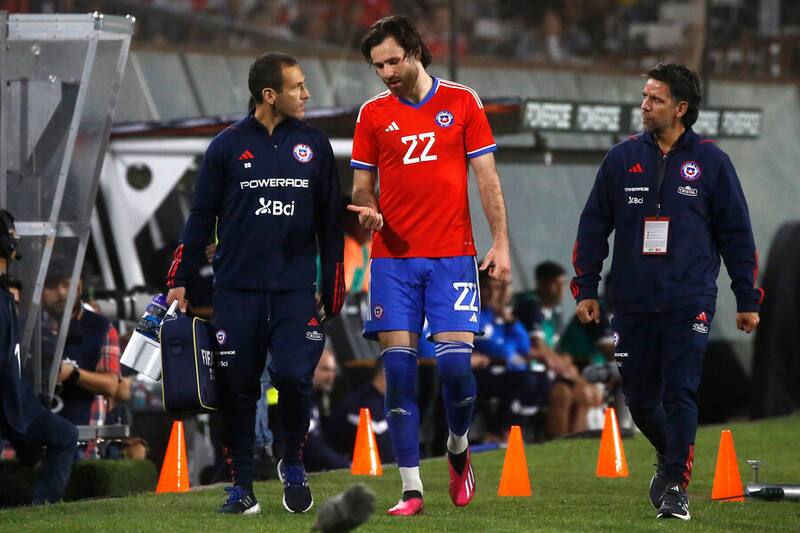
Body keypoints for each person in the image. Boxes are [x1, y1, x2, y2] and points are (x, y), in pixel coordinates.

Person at [571, 63, 762, 521]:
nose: (644, 106)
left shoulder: (713, 163)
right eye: (643, 97)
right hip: (632, 300)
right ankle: (673, 455)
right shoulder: (620, 159)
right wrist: (586, 288)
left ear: (680, 108)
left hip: (689, 298)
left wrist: (746, 298)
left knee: (680, 391)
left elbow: (737, 234)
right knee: (639, 399)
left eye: (654, 99)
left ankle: (675, 483)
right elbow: (593, 227)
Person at [165, 52, 345, 515]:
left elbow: (329, 221)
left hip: (293, 290)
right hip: (237, 291)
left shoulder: (315, 146)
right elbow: (201, 217)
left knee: (291, 376)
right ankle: (241, 487)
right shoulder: (226, 147)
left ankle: (293, 462)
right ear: (270, 95)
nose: (307, 95)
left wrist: (334, 283)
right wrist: (179, 279)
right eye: (297, 87)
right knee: (239, 389)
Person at [349, 15, 511, 516]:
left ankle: (458, 448)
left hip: (452, 259)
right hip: (393, 261)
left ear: (416, 51)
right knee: (398, 374)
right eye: (378, 66)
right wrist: (367, 207)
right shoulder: (372, 115)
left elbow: (486, 178)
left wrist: (500, 243)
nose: (387, 73)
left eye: (394, 61)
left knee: (457, 369)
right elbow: (360, 185)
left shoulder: (462, 101)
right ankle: (411, 489)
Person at [0, 209, 78, 504]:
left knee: (64, 434)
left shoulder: (6, 298)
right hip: (9, 405)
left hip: (16, 402)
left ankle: (42, 509)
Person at [514, 261, 602, 437]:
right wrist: (566, 368)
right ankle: (561, 444)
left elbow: (553, 348)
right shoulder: (531, 306)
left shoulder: (556, 312)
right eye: (555, 284)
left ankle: (577, 446)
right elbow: (538, 347)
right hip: (530, 369)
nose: (561, 290)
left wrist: (565, 361)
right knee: (563, 394)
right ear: (540, 283)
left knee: (588, 392)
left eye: (562, 284)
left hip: (550, 369)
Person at [41, 272, 121, 446]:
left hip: (84, 441)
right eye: (52, 286)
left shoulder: (102, 328)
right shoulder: (29, 327)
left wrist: (73, 374)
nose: (61, 293)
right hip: (33, 440)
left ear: (79, 286)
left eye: (66, 284)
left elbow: (111, 385)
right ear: (39, 288)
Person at [303, 347, 349, 472]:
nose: (331, 376)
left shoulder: (316, 397)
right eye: (325, 369)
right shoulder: (300, 398)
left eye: (333, 371)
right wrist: (345, 465)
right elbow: (311, 445)